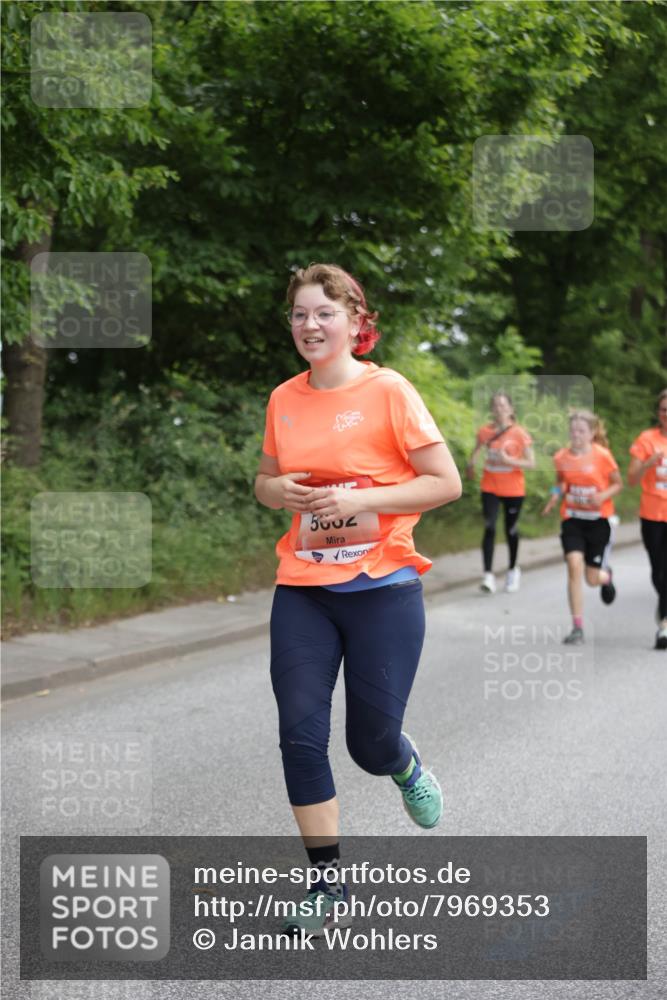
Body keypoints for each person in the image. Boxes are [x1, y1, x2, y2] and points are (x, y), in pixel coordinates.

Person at [254, 263, 462, 936]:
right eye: (298, 315)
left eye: (323, 313)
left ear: (354, 321)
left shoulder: (389, 391)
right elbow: (263, 480)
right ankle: (326, 883)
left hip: (383, 590)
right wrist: (277, 492)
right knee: (299, 733)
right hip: (304, 589)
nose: (309, 326)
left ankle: (403, 764)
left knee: (368, 742)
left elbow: (444, 482)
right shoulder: (284, 398)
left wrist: (359, 498)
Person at [541, 410, 622, 644]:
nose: (576, 435)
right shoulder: (562, 457)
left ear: (592, 433)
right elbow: (560, 482)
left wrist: (602, 495)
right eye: (573, 430)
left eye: (581, 431)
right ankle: (577, 628)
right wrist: (553, 497)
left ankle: (606, 577)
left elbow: (618, 484)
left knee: (591, 578)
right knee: (573, 565)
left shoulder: (603, 456)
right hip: (573, 520)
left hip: (598, 522)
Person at [466, 392, 534, 593]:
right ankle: (488, 575)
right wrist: (471, 465)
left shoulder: (519, 433)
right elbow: (476, 451)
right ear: (491, 410)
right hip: (490, 487)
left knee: (510, 530)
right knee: (489, 527)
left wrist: (510, 461)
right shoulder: (485, 432)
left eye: (503, 406)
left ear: (511, 409)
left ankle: (513, 570)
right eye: (495, 406)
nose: (499, 409)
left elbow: (532, 463)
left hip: (513, 490)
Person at [628, 389, 667, 650]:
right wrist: (648, 463)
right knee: (657, 571)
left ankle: (664, 624)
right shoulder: (646, 439)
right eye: (664, 409)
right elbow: (632, 479)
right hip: (651, 513)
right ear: (658, 413)